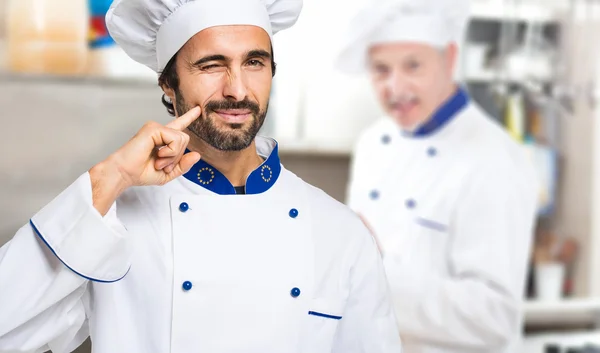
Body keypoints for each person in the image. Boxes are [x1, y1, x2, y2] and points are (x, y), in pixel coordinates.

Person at [0, 0, 403, 352]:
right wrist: (110, 177)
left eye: (254, 62)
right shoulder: (109, 223)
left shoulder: (340, 232)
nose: (237, 89)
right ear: (168, 86)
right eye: (212, 65)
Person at [337, 0, 540, 352]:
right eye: (381, 69)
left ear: (449, 58)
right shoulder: (372, 143)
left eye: (412, 65)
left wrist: (376, 277)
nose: (395, 87)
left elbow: (495, 318)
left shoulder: (495, 159)